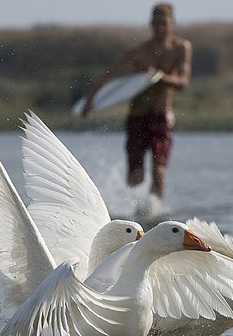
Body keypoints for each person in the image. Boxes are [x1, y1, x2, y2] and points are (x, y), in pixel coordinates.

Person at [81, 3, 192, 203]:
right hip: (137, 116)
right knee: (136, 174)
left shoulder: (181, 48)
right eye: (156, 24)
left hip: (162, 115)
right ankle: (133, 214)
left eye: (164, 24)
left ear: (173, 24)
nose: (160, 29)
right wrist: (89, 102)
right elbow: (108, 74)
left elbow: (183, 82)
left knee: (159, 170)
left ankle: (154, 213)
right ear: (151, 24)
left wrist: (159, 77)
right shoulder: (138, 52)